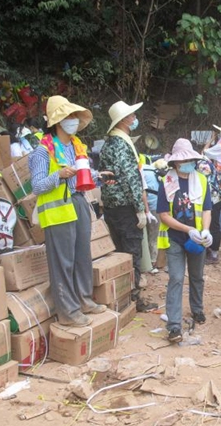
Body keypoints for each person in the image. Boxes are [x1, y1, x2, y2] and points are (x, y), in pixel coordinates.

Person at [28, 96, 106, 326]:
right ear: (58, 121)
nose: (74, 121)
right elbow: (37, 186)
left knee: (82, 255)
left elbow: (82, 175)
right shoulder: (43, 151)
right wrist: (58, 176)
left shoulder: (77, 145)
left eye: (75, 116)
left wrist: (98, 176)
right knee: (63, 262)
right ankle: (68, 312)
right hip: (57, 208)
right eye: (69, 116)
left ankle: (84, 300)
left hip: (79, 201)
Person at [99, 100, 158, 312]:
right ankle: (132, 299)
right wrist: (140, 208)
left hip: (112, 206)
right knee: (132, 253)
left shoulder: (109, 143)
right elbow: (130, 178)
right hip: (125, 206)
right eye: (132, 115)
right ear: (123, 120)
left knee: (119, 252)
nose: (134, 118)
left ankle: (120, 298)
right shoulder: (121, 145)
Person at [156, 139, 213, 343]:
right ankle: (174, 326)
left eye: (190, 159)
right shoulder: (167, 182)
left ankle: (197, 310)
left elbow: (207, 209)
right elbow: (163, 215)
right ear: (176, 163)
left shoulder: (202, 180)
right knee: (177, 278)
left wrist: (205, 230)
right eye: (184, 160)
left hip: (197, 239)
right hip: (175, 238)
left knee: (197, 276)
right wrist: (188, 229)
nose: (188, 163)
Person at [195, 156, 221, 264]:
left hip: (213, 198)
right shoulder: (204, 161)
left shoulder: (202, 165)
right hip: (210, 197)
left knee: (213, 225)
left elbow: (203, 182)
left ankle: (214, 253)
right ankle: (208, 249)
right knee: (207, 224)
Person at [142, 157, 162, 273]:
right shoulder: (154, 170)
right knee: (154, 236)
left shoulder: (139, 171)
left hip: (146, 207)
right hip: (157, 205)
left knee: (145, 236)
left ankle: (149, 262)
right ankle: (154, 262)